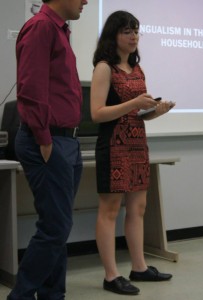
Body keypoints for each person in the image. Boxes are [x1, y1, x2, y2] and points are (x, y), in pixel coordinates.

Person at [90, 10, 175, 296]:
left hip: (137, 145)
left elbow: (139, 114)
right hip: (113, 146)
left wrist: (156, 111)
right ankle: (110, 275)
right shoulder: (104, 67)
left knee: (138, 208)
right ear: (113, 35)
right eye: (127, 31)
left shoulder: (137, 70)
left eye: (136, 31)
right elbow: (97, 113)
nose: (134, 36)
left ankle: (139, 267)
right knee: (110, 210)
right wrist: (133, 103)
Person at [7, 0, 88, 299]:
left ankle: (53, 295)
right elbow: (30, 88)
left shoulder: (60, 31)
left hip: (67, 141)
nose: (86, 1)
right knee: (55, 227)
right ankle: (22, 295)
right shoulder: (41, 27)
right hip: (48, 139)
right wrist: (44, 139)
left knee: (58, 227)